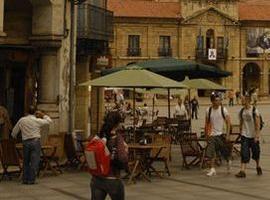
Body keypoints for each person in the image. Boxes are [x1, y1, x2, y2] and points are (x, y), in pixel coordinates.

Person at [91, 111, 128, 200]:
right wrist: (126, 151)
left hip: (97, 178)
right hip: (112, 178)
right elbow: (122, 159)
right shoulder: (117, 138)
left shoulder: (99, 136)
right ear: (118, 123)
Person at [11, 106, 52, 184]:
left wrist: (15, 137)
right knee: (34, 161)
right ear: (35, 112)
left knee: (26, 161)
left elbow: (14, 132)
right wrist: (43, 115)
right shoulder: (37, 121)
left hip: (25, 142)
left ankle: (25, 179)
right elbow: (49, 121)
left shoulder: (22, 120)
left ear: (26, 112)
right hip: (35, 141)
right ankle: (31, 180)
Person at [205, 92, 232, 176]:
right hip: (212, 135)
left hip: (220, 134)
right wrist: (207, 134)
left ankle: (228, 160)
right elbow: (207, 123)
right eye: (216, 100)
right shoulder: (208, 110)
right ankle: (212, 169)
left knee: (223, 151)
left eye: (219, 100)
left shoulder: (223, 110)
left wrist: (227, 134)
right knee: (211, 152)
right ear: (212, 101)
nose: (218, 101)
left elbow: (228, 123)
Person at [235, 94, 262, 178]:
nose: (241, 101)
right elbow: (241, 122)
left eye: (243, 99)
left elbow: (257, 124)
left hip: (253, 135)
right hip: (245, 135)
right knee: (244, 152)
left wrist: (257, 135)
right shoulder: (241, 111)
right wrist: (240, 132)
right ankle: (242, 171)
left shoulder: (254, 110)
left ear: (247, 100)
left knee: (256, 152)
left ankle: (258, 166)